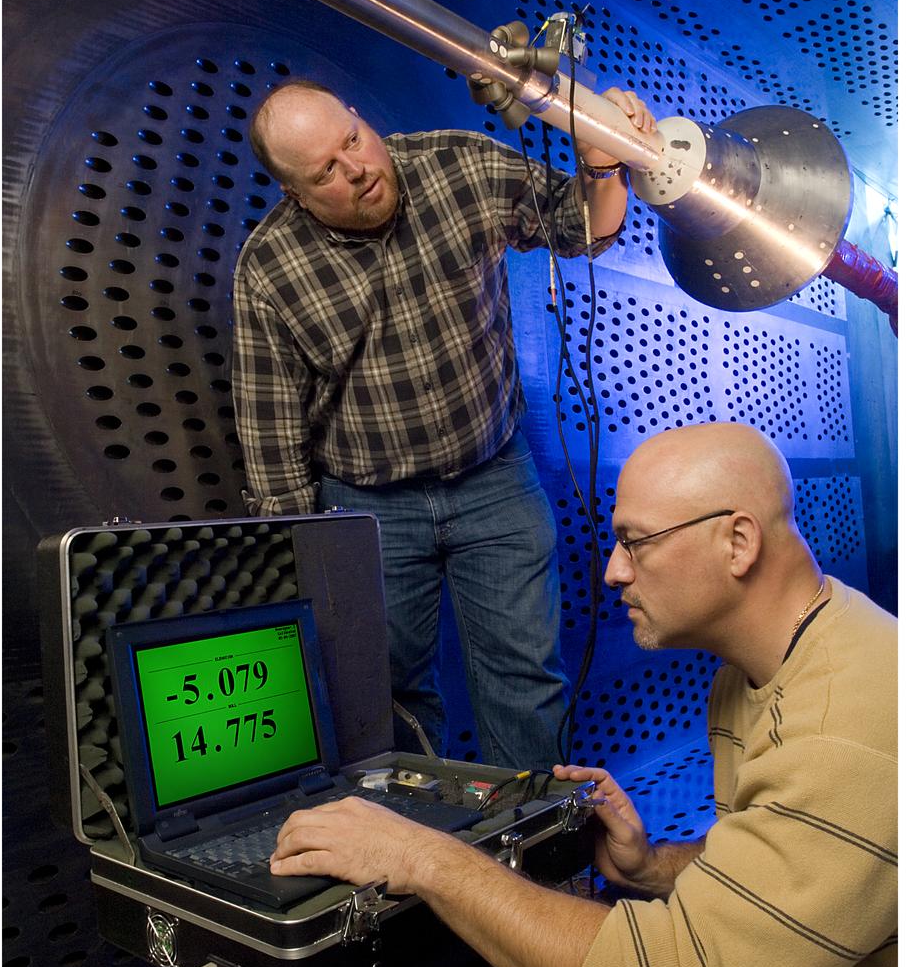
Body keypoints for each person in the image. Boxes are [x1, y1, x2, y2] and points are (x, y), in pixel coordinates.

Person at [268, 422, 897, 967]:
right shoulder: (765, 665)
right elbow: (778, 866)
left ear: (738, 542)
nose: (611, 572)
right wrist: (653, 866)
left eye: (633, 541)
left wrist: (422, 858)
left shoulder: (839, 732)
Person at [232, 78, 657, 768]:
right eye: (326, 173)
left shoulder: (456, 164)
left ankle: (535, 852)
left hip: (493, 474)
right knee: (384, 697)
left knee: (524, 679)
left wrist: (603, 161)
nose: (359, 169)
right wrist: (310, 563)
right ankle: (426, 858)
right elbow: (270, 435)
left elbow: (581, 227)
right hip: (368, 506)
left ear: (359, 114)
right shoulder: (269, 267)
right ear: (295, 196)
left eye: (352, 140)